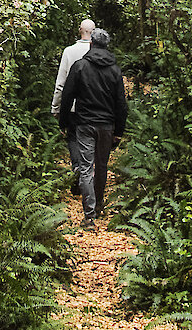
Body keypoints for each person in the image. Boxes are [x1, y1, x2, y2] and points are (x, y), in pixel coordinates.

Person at [58, 27, 128, 232]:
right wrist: (119, 131)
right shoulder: (114, 70)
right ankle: (98, 205)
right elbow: (120, 103)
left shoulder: (80, 67)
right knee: (102, 165)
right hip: (106, 125)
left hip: (84, 124)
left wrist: (64, 122)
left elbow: (67, 96)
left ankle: (89, 216)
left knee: (86, 167)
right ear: (106, 46)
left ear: (91, 44)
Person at [51, 18, 95, 195]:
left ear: (79, 31)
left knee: (74, 139)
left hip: (73, 107)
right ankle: (89, 176)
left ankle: (77, 170)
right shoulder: (99, 52)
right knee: (91, 141)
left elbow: (60, 84)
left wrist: (56, 108)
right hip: (94, 106)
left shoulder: (69, 52)